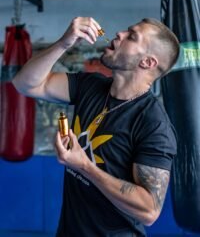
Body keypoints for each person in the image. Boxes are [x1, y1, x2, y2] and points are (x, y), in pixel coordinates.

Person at [12, 17, 180, 237]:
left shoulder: (153, 124)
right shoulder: (90, 86)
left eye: (131, 36)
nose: (119, 33)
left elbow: (149, 210)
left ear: (147, 62)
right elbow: (25, 83)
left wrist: (85, 166)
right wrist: (65, 42)